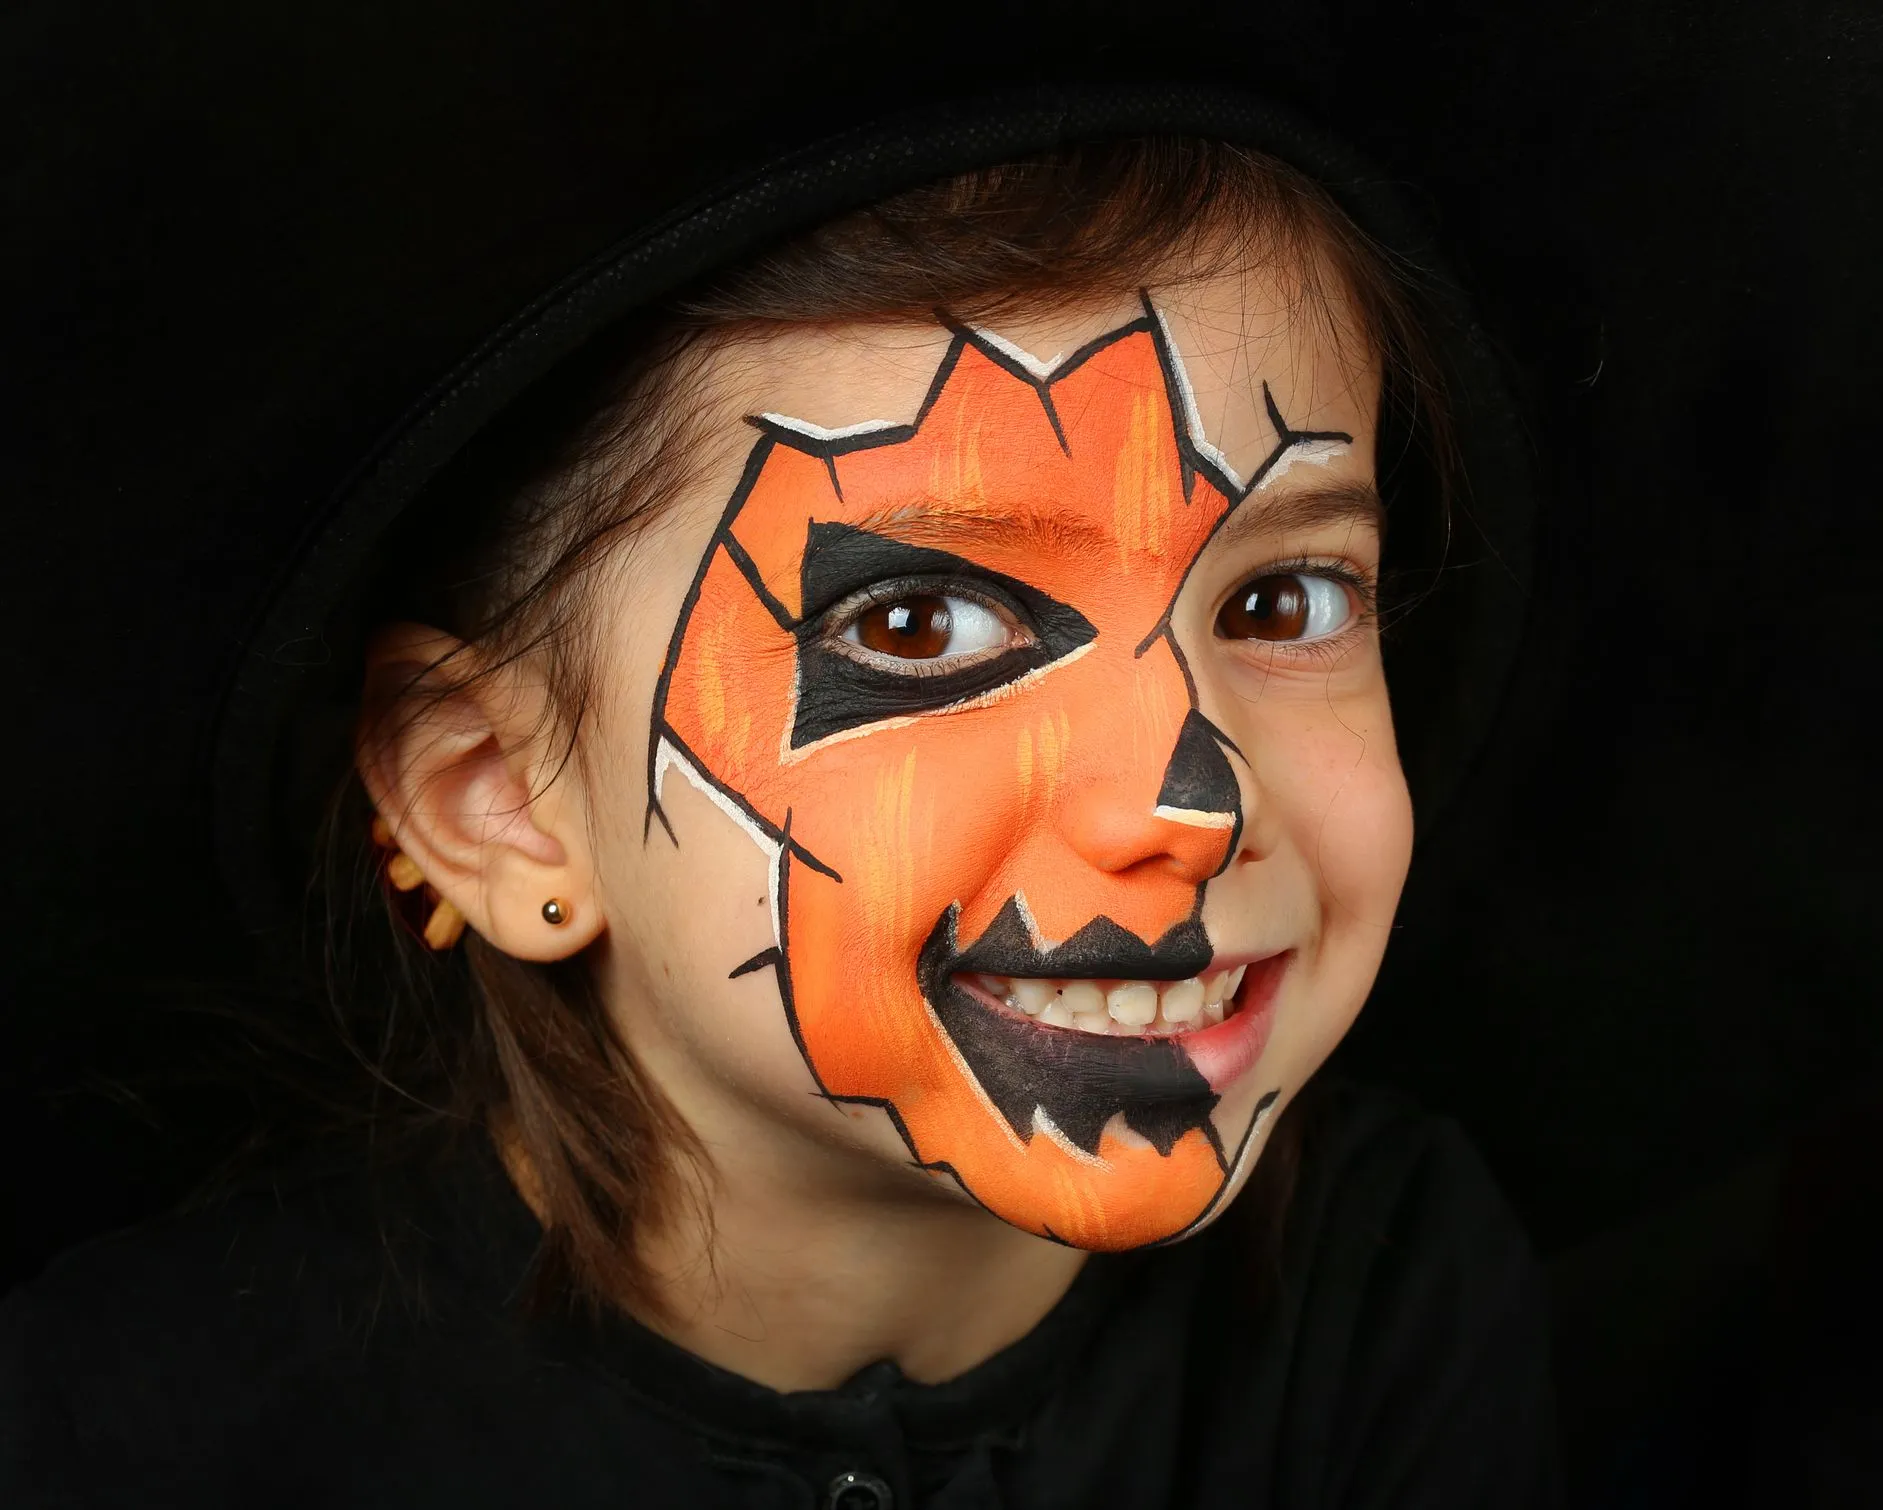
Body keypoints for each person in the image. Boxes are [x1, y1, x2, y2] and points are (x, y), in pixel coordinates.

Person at [1, 140, 1557, 1506]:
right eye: (922, 623)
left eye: (1285, 599)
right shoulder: (137, 1426)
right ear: (497, 802)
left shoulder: (1394, 1299)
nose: (1189, 800)